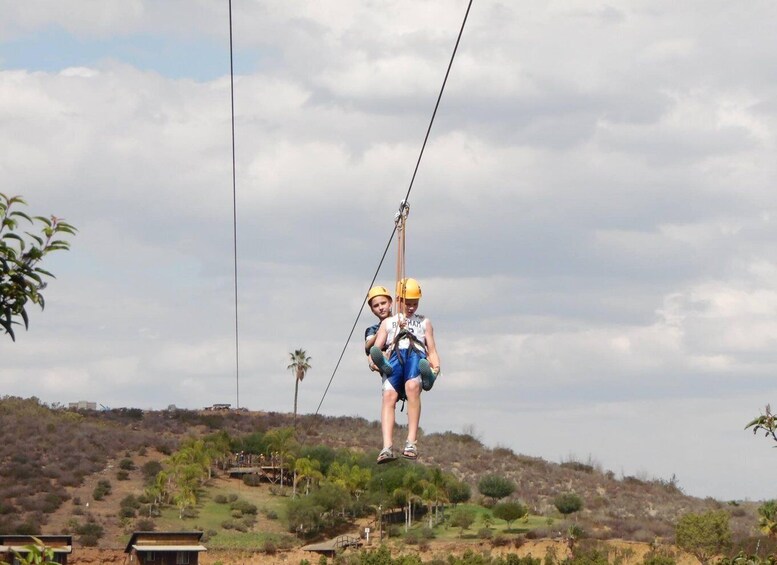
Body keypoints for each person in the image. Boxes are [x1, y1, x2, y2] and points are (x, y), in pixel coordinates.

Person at [369, 278, 440, 463]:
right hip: (394, 355)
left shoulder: (424, 322)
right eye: (407, 304)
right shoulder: (388, 323)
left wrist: (436, 366)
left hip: (415, 354)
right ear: (399, 300)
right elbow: (375, 348)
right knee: (389, 397)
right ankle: (387, 447)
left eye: (414, 304)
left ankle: (411, 442)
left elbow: (431, 349)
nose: (411, 308)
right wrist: (375, 362)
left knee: (411, 387)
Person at [364, 286, 393, 373]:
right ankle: (383, 366)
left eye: (383, 303)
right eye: (376, 306)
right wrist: (379, 333)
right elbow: (367, 347)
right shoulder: (372, 329)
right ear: (372, 310)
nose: (380, 308)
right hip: (386, 355)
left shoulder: (399, 321)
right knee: (372, 355)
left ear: (390, 303)